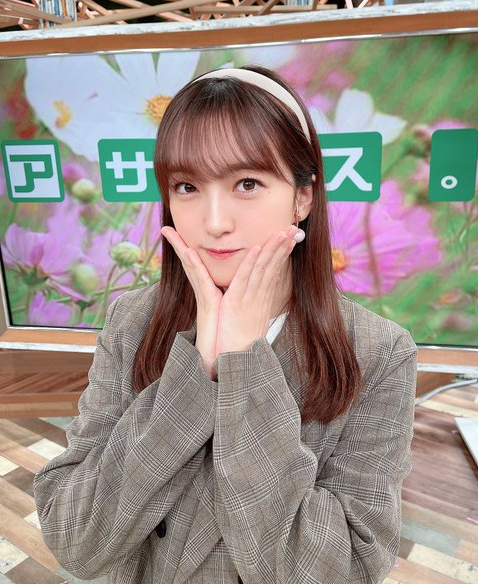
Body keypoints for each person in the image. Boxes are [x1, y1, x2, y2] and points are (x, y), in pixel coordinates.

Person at [34, 65, 417, 584]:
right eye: (187, 186)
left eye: (247, 183)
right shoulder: (133, 320)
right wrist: (194, 374)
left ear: (303, 196)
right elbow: (74, 538)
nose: (214, 222)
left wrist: (245, 367)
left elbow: (346, 569)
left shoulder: (377, 352)